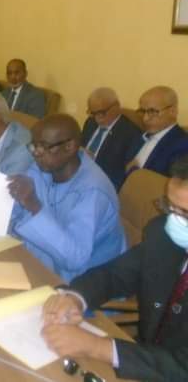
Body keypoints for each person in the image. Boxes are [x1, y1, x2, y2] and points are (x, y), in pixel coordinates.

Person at [40, 155, 188, 381]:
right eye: (170, 207)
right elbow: (116, 274)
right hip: (144, 361)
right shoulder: (164, 234)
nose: (174, 221)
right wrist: (75, 297)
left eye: (185, 214)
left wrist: (99, 347)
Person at [8, 114, 126, 282]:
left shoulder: (93, 191)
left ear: (69, 147)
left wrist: (34, 205)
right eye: (34, 146)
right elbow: (15, 213)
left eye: (43, 146)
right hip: (41, 263)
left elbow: (75, 259)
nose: (36, 153)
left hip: (83, 284)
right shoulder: (42, 167)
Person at [81, 87, 142, 190]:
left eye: (101, 113)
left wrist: (94, 162)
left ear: (116, 106)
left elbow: (123, 174)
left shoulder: (130, 134)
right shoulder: (90, 122)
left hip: (100, 184)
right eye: (93, 113)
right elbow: (81, 145)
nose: (97, 118)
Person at [126, 85, 188, 177]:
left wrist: (132, 171)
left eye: (152, 112)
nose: (145, 118)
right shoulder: (139, 135)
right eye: (142, 111)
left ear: (172, 111)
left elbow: (168, 183)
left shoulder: (182, 144)